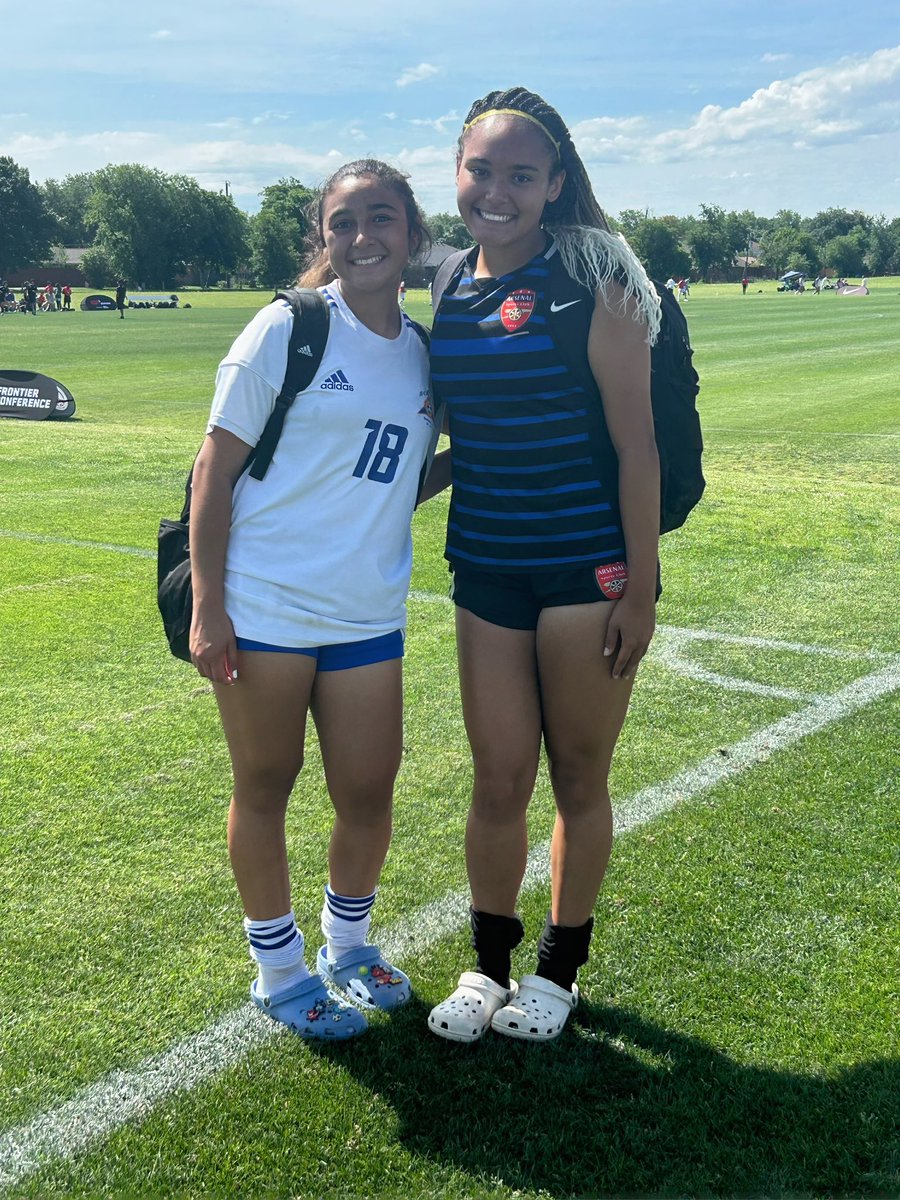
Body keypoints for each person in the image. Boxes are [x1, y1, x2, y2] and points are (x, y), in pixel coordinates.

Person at [426, 87, 662, 1043]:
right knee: (496, 776)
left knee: (577, 773)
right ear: (458, 174)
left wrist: (640, 588)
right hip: (485, 565)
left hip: (584, 571)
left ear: (554, 183)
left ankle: (559, 972)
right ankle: (487, 968)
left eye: (521, 174)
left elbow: (635, 446)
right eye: (482, 170)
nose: (498, 190)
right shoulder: (446, 282)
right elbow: (466, 438)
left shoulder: (596, 277)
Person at [188, 159, 441, 1041]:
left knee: (369, 791)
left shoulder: (422, 354)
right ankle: (280, 971)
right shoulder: (287, 328)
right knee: (266, 784)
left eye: (382, 219)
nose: (364, 237)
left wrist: (478, 461)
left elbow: (389, 481)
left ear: (412, 233)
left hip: (367, 611)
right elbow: (212, 473)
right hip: (265, 608)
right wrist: (208, 606)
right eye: (345, 223)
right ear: (324, 238)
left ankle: (347, 946)